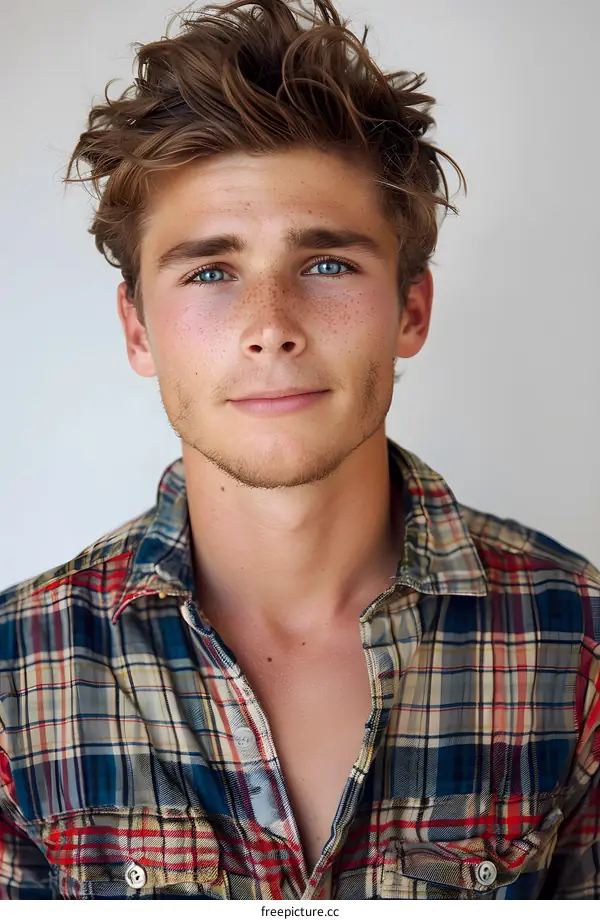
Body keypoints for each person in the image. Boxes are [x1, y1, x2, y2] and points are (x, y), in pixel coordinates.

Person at [0, 0, 598, 901]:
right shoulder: (15, 678)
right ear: (138, 329)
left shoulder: (581, 647)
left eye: (326, 264)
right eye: (211, 271)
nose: (271, 325)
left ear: (410, 309)